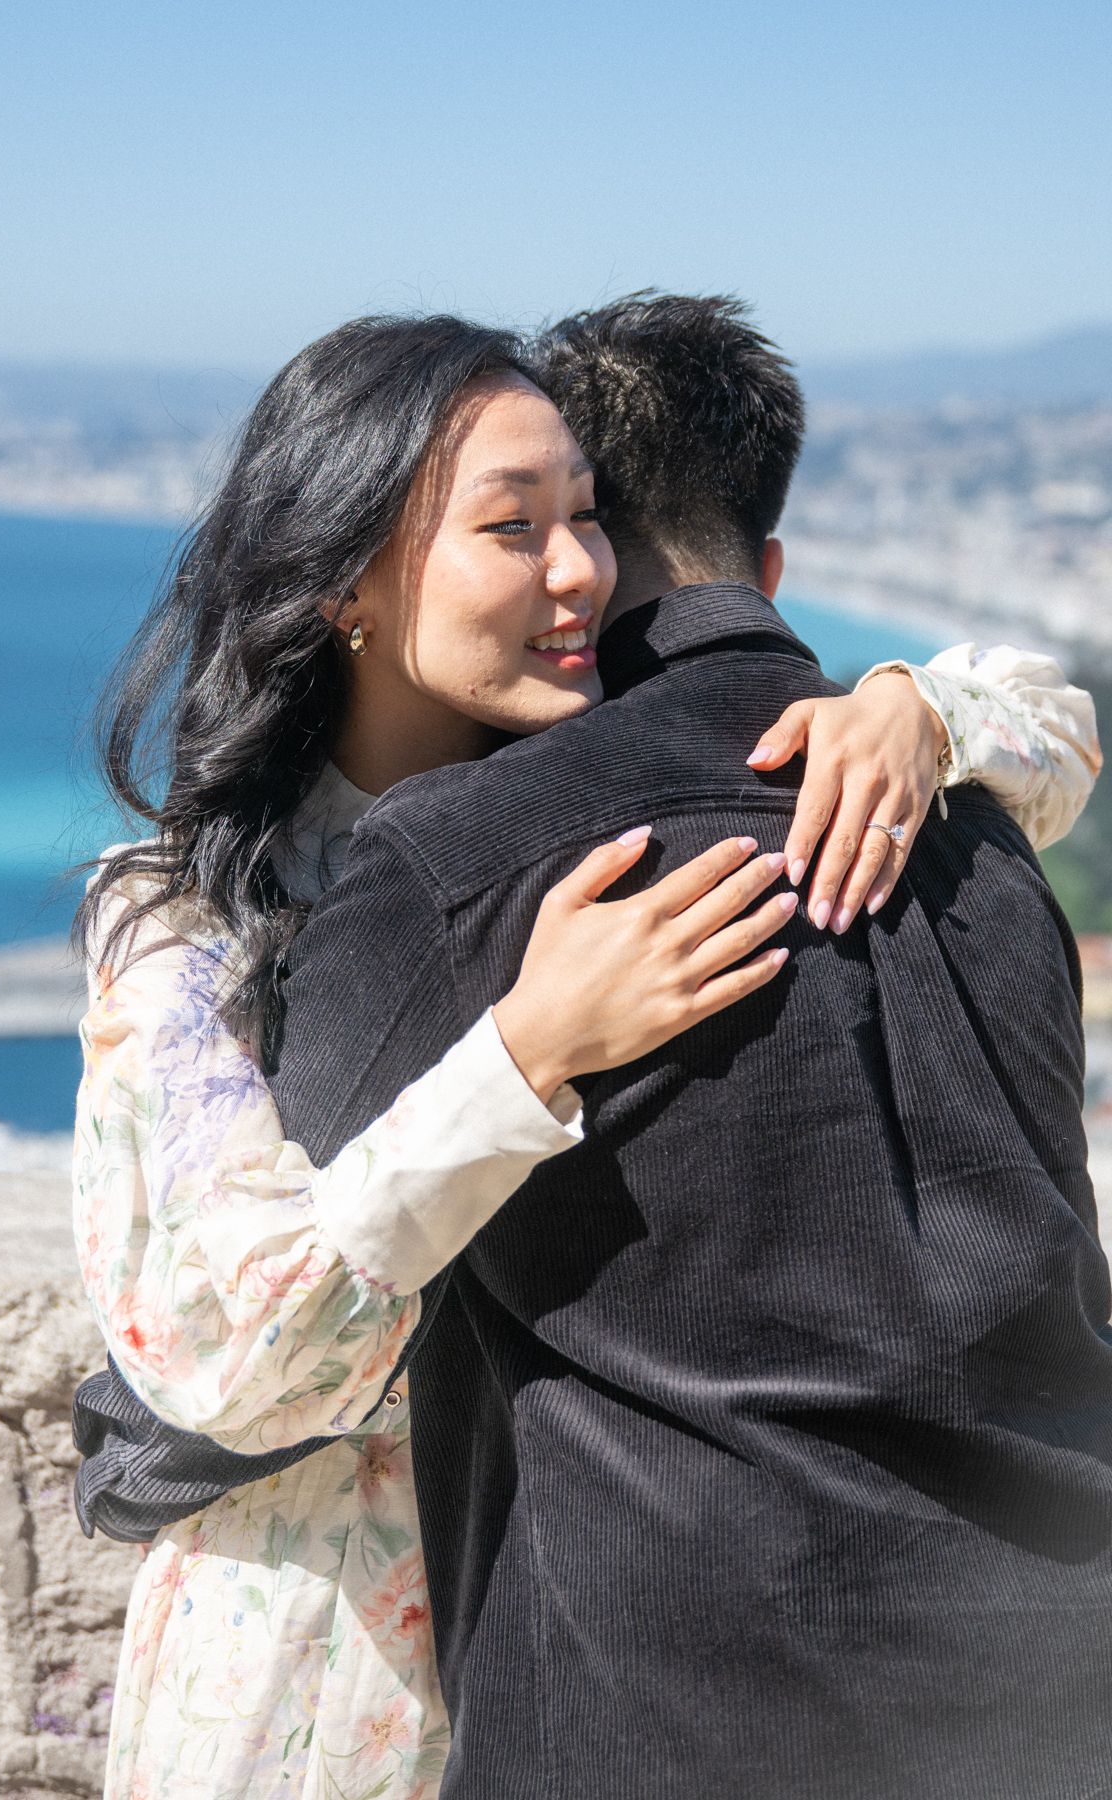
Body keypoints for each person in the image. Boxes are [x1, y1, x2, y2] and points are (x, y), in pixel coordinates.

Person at [72, 307, 1099, 1800]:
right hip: (329, 1673)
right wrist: (527, 1049)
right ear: (348, 582)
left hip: (583, 1654)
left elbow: (1053, 722)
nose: (579, 576)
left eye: (587, 519)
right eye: (513, 529)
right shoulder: (183, 923)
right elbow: (223, 1356)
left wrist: (915, 710)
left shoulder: (592, 812)